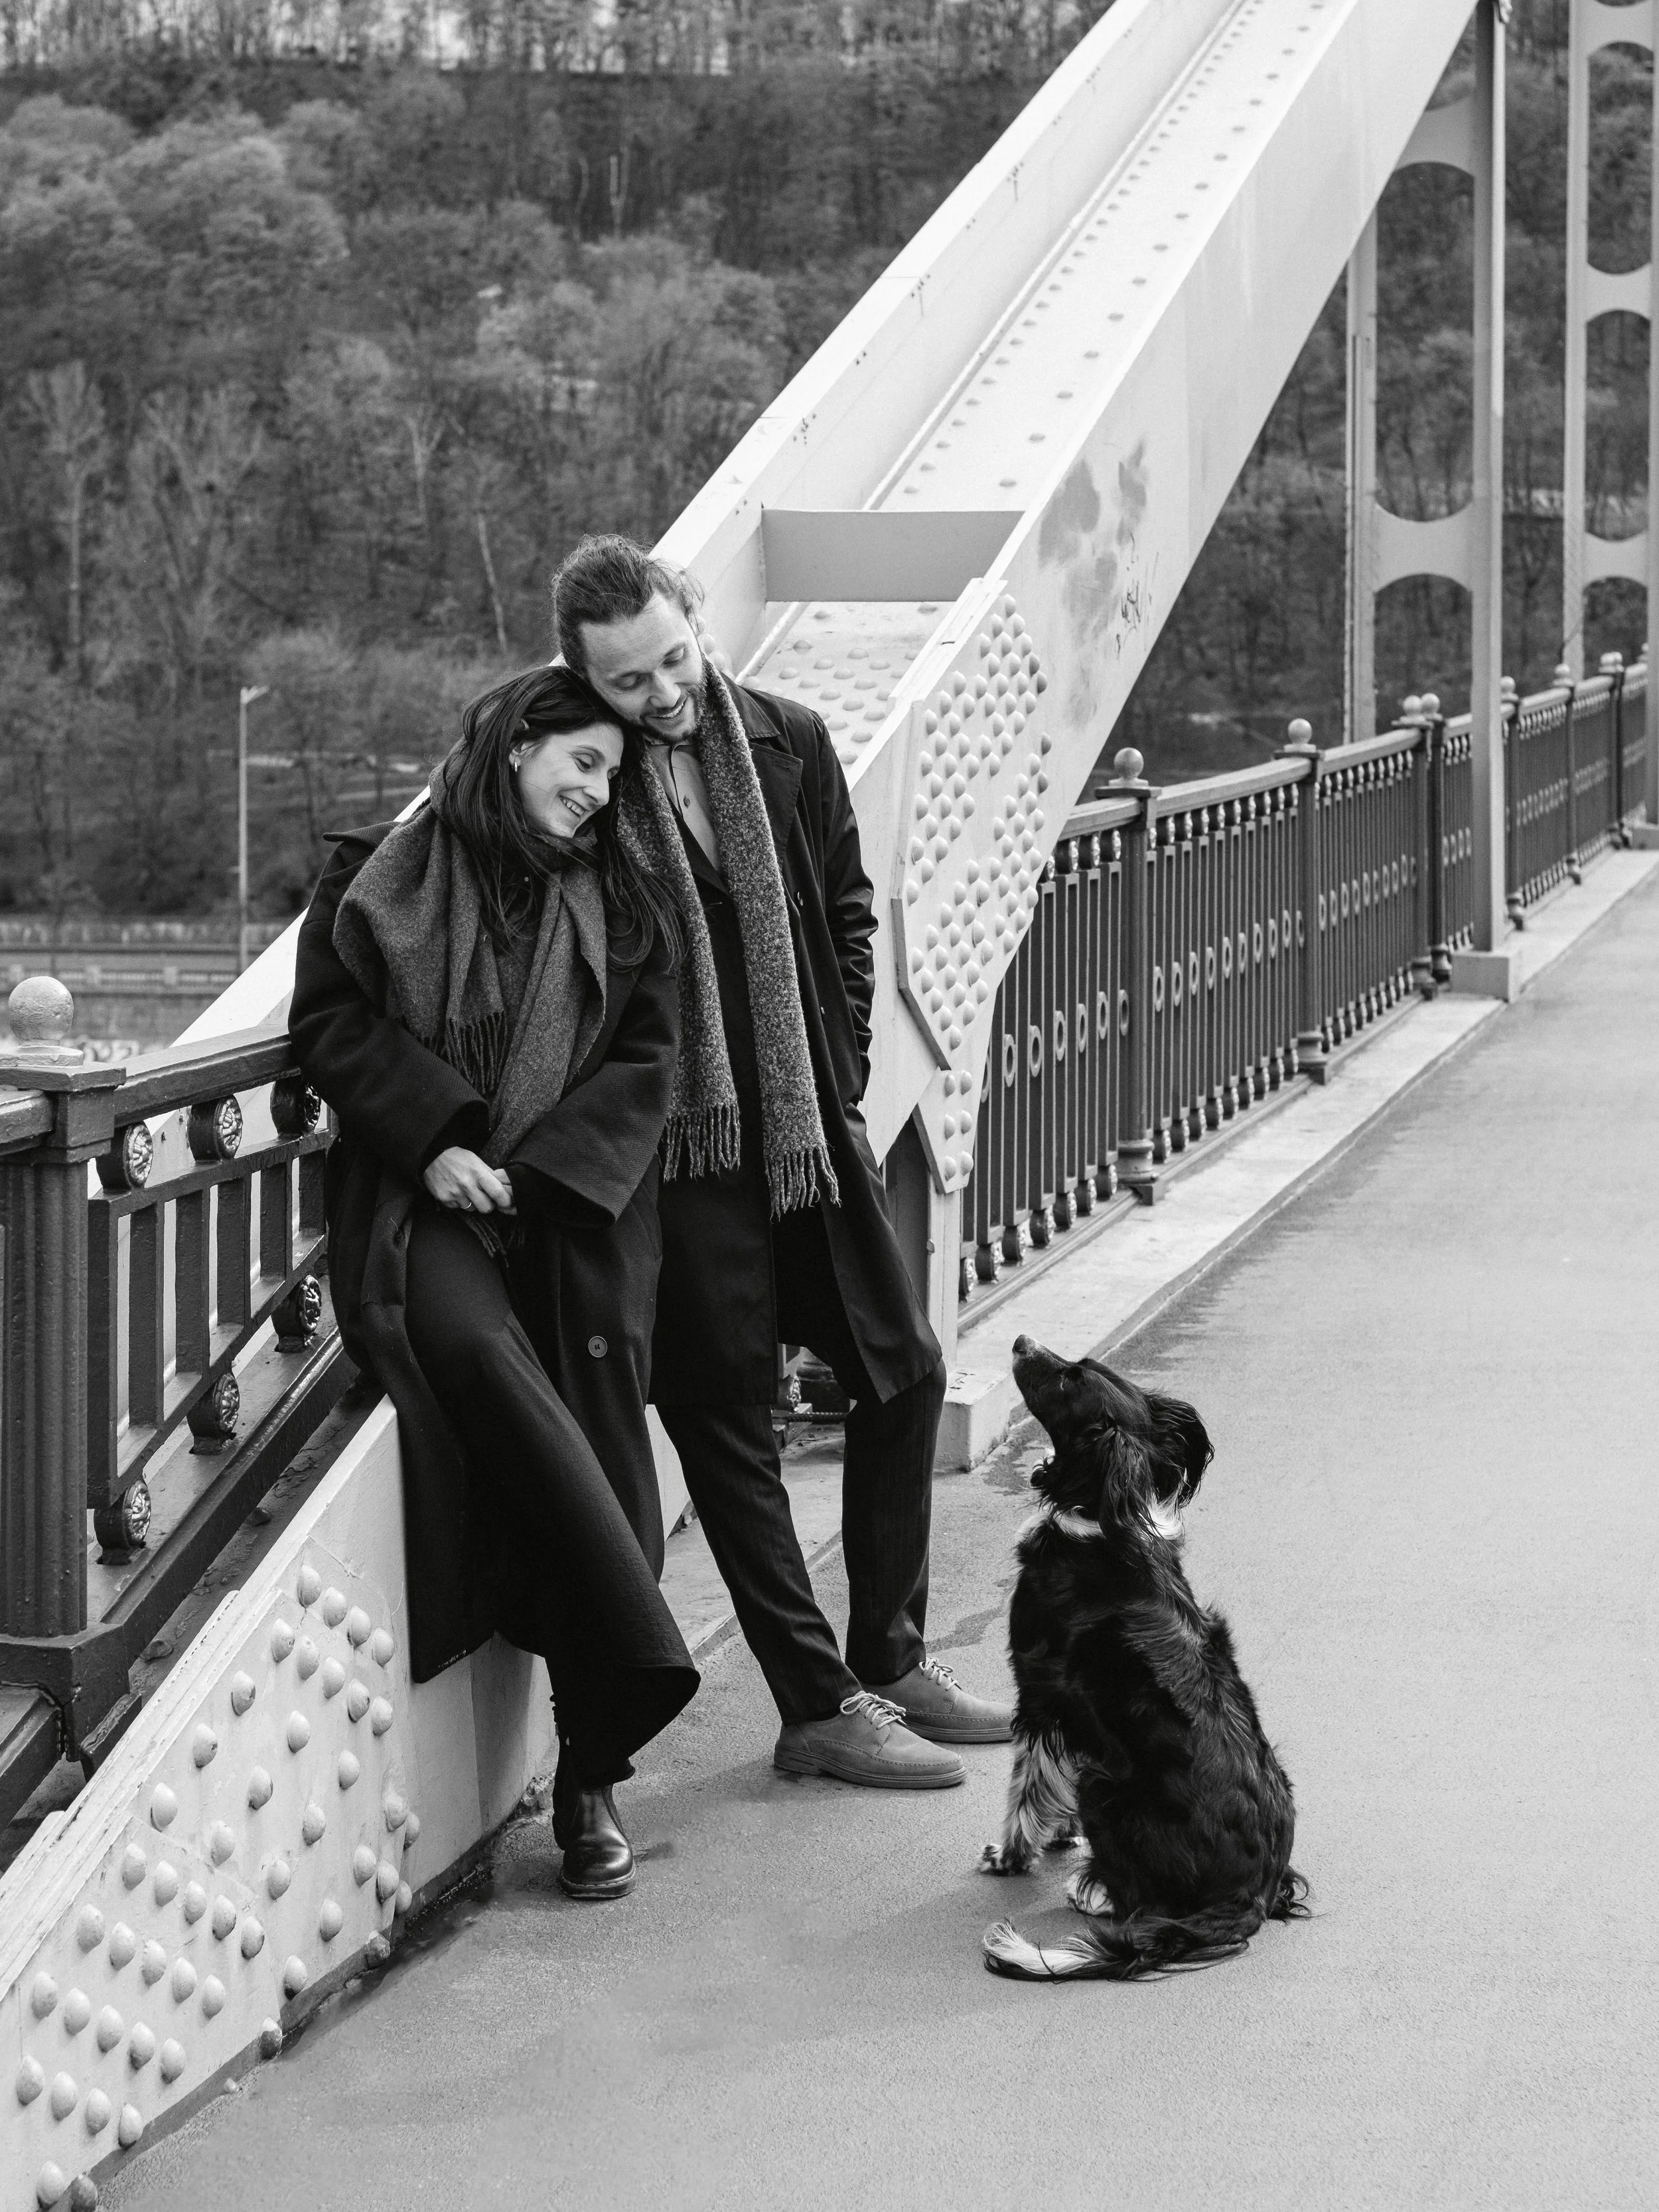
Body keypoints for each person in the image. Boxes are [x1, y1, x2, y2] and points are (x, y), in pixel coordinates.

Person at [551, 534, 1013, 1791]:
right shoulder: (584, 776)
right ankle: (818, 1705)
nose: (661, 697)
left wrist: (840, 1073)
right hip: (682, 1154)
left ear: (697, 618)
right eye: (627, 684)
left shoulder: (791, 740)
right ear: (584, 683)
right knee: (724, 1418)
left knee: (902, 1366)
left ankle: (895, 1654)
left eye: (671, 661)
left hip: (807, 1131)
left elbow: (851, 912)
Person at [289, 666, 699, 1901]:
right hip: (430, 1200)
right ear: (518, 745)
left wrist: (544, 1169)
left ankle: (589, 1780)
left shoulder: (624, 897)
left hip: (573, 1211)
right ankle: (632, 1653)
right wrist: (441, 1139)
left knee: (589, 1407)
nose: (599, 790)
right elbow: (334, 1026)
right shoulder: (380, 873)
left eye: (615, 775)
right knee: (470, 1352)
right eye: (583, 762)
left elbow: (651, 1057)